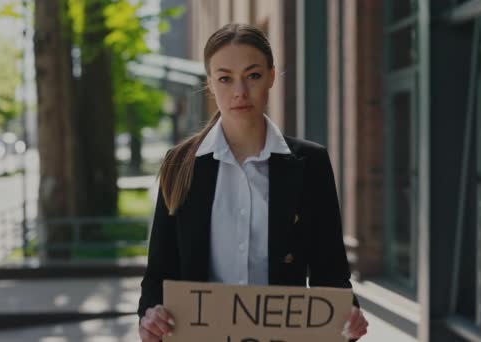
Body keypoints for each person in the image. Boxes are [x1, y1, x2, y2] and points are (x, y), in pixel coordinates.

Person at [138, 23, 368, 342]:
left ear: (272, 76)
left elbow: (330, 272)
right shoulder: (179, 165)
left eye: (253, 75)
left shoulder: (310, 164)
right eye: (225, 78)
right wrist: (150, 316)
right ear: (210, 84)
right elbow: (158, 276)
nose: (240, 92)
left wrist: (348, 317)